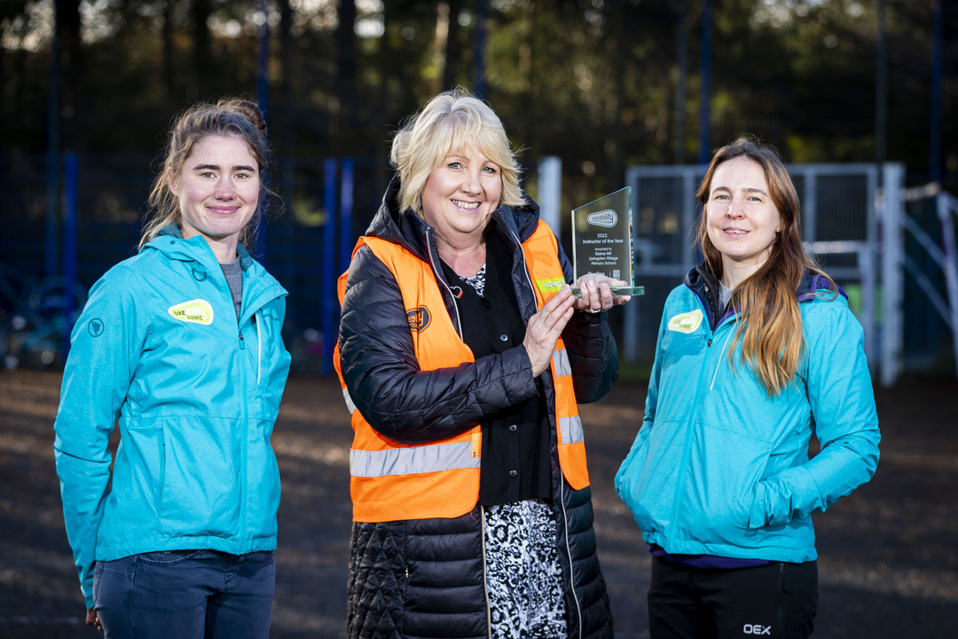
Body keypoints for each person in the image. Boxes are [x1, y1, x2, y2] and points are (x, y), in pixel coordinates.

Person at [334, 88, 628, 639]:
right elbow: (390, 402)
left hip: (547, 534)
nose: (474, 184)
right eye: (455, 165)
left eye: (489, 168)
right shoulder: (379, 264)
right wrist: (524, 360)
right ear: (421, 172)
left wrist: (588, 318)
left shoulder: (535, 244)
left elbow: (588, 384)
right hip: (428, 553)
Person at [614, 137, 881, 638]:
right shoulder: (681, 302)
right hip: (671, 563)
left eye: (754, 198)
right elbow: (655, 415)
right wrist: (638, 480)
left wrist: (763, 502)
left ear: (782, 218)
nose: (734, 211)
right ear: (706, 209)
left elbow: (857, 447)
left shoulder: (819, 314)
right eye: (722, 196)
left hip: (761, 567)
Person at [53, 98, 291, 638]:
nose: (225, 190)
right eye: (207, 172)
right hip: (151, 560)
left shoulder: (267, 299)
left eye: (242, 173)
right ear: (174, 179)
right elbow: (78, 435)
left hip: (250, 560)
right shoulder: (130, 288)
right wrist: (95, 568)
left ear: (260, 186)